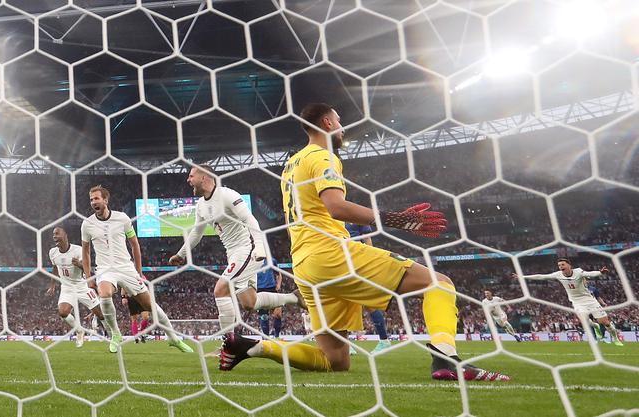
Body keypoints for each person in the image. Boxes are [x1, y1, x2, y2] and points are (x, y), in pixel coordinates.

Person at [219, 103, 510, 382]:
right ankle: (446, 357)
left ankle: (253, 346)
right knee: (439, 283)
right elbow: (336, 206)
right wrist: (397, 220)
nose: (343, 128)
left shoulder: (292, 163)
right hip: (332, 253)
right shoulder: (323, 156)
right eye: (340, 121)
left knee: (335, 360)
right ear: (327, 123)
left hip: (305, 264)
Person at [168, 166, 305, 335]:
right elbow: (197, 232)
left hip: (248, 249)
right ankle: (294, 298)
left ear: (204, 177)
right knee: (250, 302)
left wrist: (260, 246)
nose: (188, 180)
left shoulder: (227, 195)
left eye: (191, 176)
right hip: (233, 254)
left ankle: (229, 342)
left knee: (220, 290)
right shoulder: (201, 205)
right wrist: (181, 254)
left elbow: (250, 219)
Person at [81, 185, 192, 353]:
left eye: (96, 198)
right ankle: (115, 334)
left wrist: (139, 272)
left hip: (126, 267)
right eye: (91, 199)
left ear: (105, 200)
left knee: (150, 305)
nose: (93, 202)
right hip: (105, 269)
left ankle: (173, 338)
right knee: (104, 294)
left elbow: (135, 245)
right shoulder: (87, 224)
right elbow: (85, 251)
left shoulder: (122, 218)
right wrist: (89, 277)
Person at [513, 258, 622, 346]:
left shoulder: (578, 272)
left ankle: (615, 338)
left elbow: (590, 273)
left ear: (569, 265)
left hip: (590, 301)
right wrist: (522, 277)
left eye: (563, 265)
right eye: (559, 265)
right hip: (577, 302)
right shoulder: (558, 274)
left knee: (606, 323)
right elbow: (541, 276)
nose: (561, 267)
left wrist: (600, 273)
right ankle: (595, 326)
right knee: (584, 321)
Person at [47, 226, 110, 347]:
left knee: (100, 314)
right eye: (53, 234)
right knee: (63, 312)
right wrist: (52, 285)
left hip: (81, 286)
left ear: (65, 236)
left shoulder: (78, 250)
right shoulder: (52, 252)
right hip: (67, 287)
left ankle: (112, 336)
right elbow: (55, 267)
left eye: (57, 233)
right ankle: (79, 330)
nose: (54, 236)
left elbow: (88, 269)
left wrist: (79, 264)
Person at [345, 222, 391, 353]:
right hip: (341, 260)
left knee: (369, 303)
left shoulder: (353, 213)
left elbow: (367, 237)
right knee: (343, 302)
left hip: (358, 260)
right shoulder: (331, 216)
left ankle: (384, 340)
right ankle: (346, 344)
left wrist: (371, 259)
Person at [255, 256, 284, 338]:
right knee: (264, 317)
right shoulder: (252, 262)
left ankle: (277, 336)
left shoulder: (272, 260)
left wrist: (278, 284)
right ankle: (266, 337)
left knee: (278, 313)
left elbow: (278, 274)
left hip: (272, 289)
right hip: (260, 291)